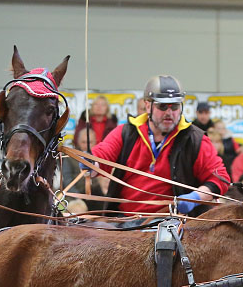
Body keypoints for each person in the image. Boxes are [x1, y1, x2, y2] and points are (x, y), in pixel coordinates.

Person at [87, 74, 230, 217]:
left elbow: (221, 178)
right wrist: (90, 163)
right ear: (148, 105)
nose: (169, 113)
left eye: (174, 106)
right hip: (124, 221)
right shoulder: (126, 132)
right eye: (162, 106)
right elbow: (101, 158)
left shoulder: (194, 138)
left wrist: (196, 197)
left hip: (173, 223)